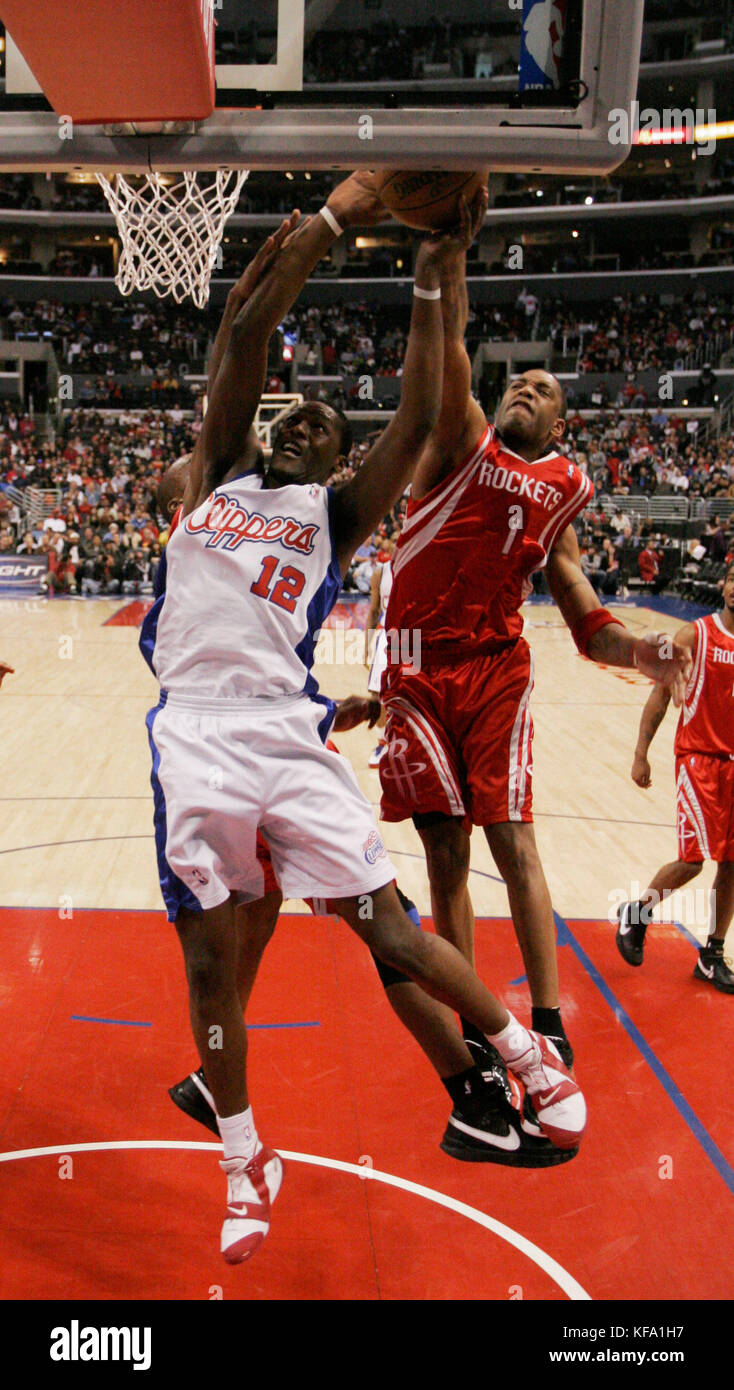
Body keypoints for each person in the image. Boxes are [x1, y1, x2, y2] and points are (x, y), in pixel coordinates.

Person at [143, 178, 585, 1265]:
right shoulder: (211, 471)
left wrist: (433, 279)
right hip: (193, 737)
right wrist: (338, 216)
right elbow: (246, 326)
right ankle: (244, 1158)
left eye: (324, 422)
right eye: (291, 412)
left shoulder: (336, 516)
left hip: (286, 744)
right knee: (209, 971)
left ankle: (519, 1052)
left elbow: (427, 418)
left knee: (387, 926)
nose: (303, 419)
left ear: (337, 461)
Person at [375, 240, 692, 1122]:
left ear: (562, 425)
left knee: (513, 842)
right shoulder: (457, 438)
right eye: (521, 380)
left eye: (547, 389)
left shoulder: (561, 488)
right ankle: (479, 1018)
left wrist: (643, 654)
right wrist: (446, 259)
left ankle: (547, 1019)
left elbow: (587, 617)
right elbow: (449, 353)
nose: (527, 387)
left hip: (494, 670)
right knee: (444, 854)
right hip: (413, 666)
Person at [616, 562, 734, 992]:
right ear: (723, 584)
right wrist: (641, 754)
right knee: (692, 859)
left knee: (732, 864)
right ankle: (637, 914)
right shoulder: (694, 635)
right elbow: (659, 695)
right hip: (699, 760)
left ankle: (712, 955)